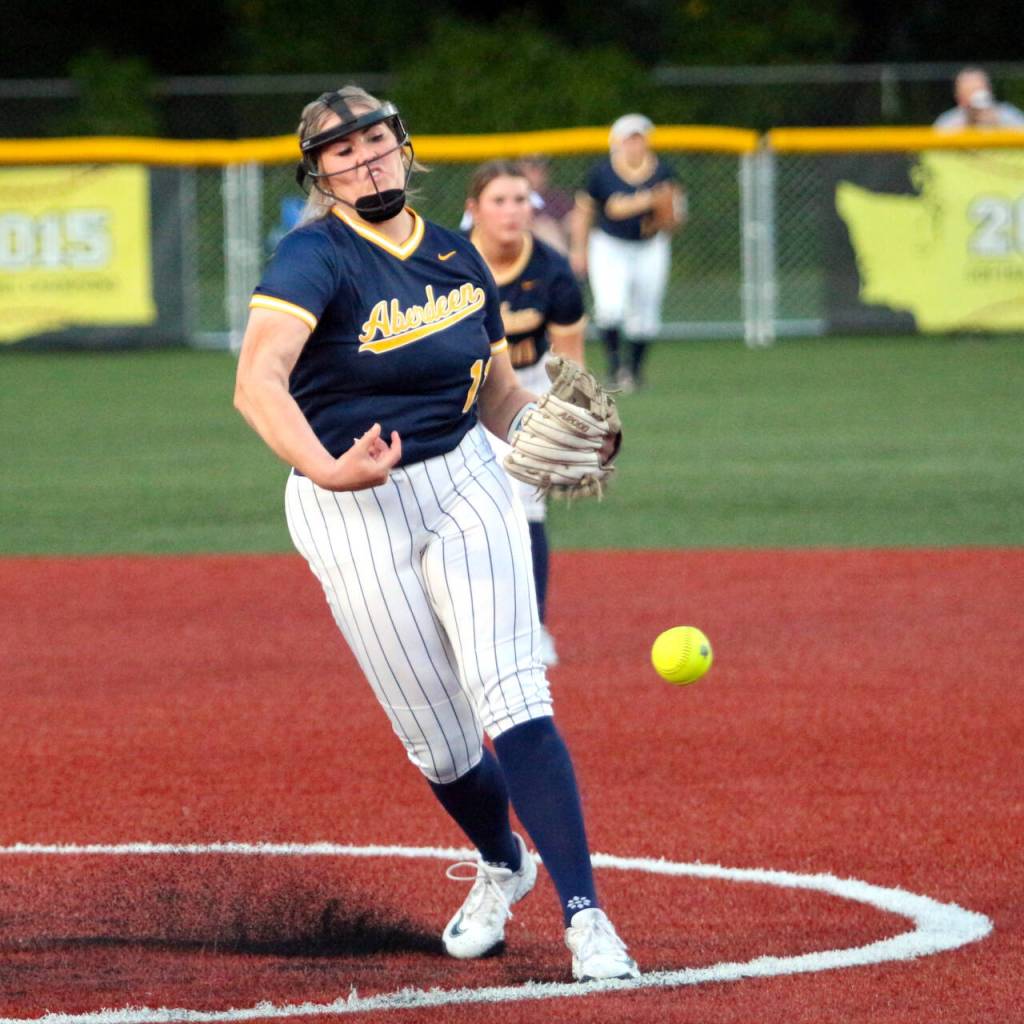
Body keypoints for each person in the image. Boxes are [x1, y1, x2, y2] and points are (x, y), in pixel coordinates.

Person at [232, 85, 637, 983]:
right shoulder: (312, 259)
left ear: (405, 148)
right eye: (342, 151)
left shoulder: (455, 253)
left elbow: (494, 393)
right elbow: (257, 380)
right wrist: (329, 465)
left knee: (514, 694)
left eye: (376, 139)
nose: (364, 158)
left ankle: (587, 917)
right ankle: (503, 864)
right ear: (321, 173)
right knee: (440, 742)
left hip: (463, 485)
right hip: (348, 509)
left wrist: (547, 432)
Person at [463, 159, 587, 669]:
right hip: (456, 389)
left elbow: (570, 357)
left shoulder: (552, 270)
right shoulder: (449, 262)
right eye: (499, 200)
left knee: (525, 506)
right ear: (474, 210)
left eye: (521, 200)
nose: (512, 211)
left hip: (527, 387)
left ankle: (531, 628)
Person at [569, 113, 686, 392]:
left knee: (646, 313)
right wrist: (578, 249)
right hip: (610, 246)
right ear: (617, 142)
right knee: (610, 308)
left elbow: (675, 216)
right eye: (629, 139)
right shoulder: (602, 172)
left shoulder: (664, 171)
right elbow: (592, 211)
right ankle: (614, 368)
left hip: (650, 246)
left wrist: (665, 216)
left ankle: (634, 371)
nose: (635, 144)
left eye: (640, 138)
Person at [934, 67, 1024, 131]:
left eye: (980, 89)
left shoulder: (1009, 116)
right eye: (969, 91)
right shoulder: (947, 123)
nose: (976, 97)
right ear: (959, 98)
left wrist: (996, 124)